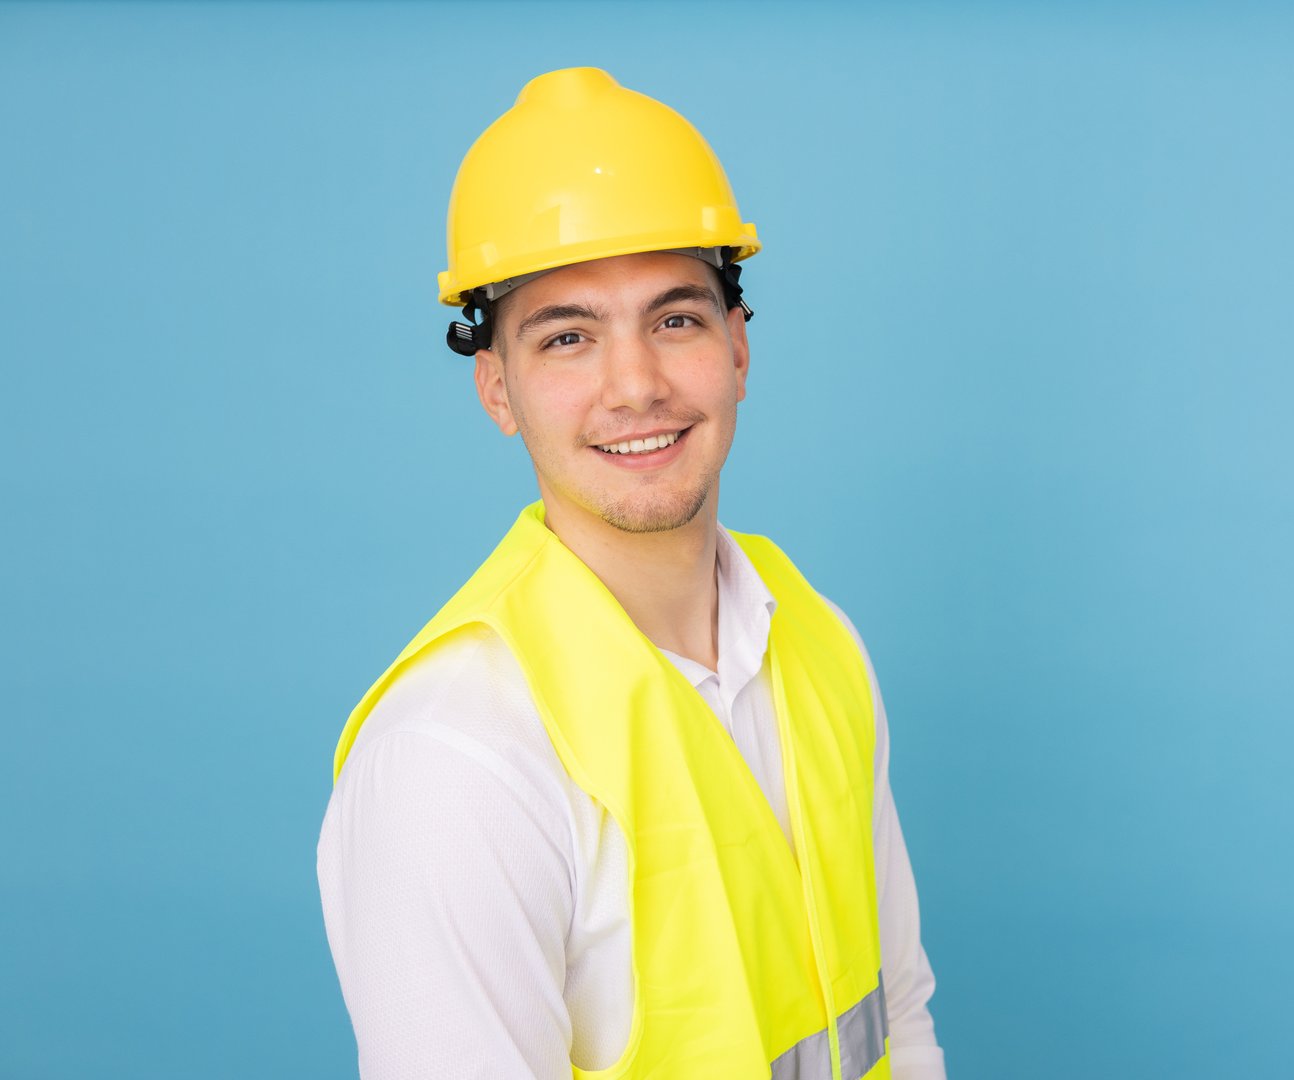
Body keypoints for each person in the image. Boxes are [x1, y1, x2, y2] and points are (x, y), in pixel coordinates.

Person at [316, 67, 945, 1080]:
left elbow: (897, 1018)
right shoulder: (457, 758)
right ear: (498, 389)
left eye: (677, 318)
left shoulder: (820, 643)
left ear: (739, 348)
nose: (636, 384)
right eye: (567, 337)